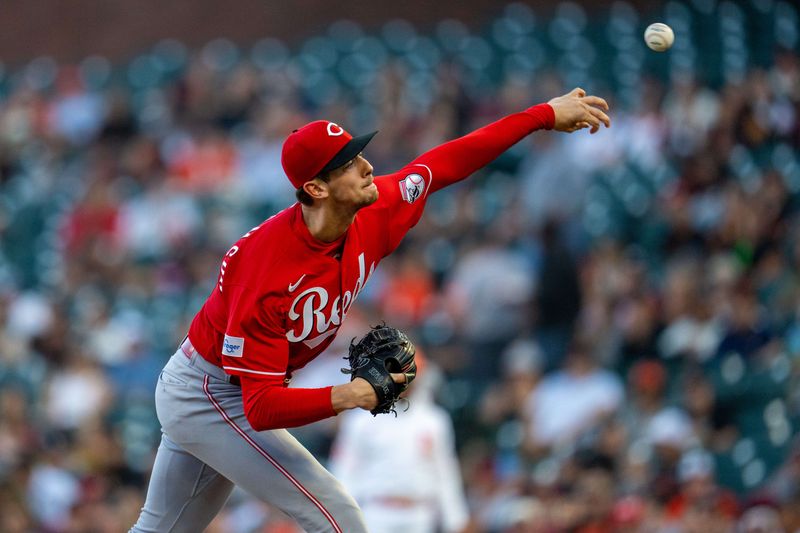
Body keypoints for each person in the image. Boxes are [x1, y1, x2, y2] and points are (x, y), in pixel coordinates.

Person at [131, 87, 611, 533]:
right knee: (338, 515)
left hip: (226, 388)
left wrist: (543, 116)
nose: (365, 166)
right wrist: (352, 394)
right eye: (347, 163)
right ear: (317, 188)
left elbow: (447, 162)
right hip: (211, 390)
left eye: (358, 153)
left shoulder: (375, 208)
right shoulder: (265, 273)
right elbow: (258, 408)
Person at [329, 354, 470, 533]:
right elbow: (345, 471)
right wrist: (342, 518)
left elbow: (445, 471)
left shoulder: (433, 420)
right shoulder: (361, 420)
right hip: (376, 511)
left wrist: (456, 520)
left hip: (420, 513)